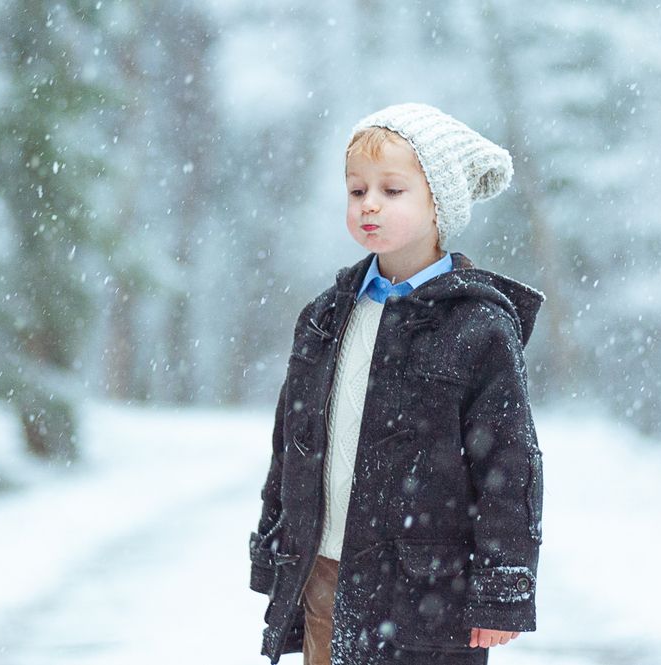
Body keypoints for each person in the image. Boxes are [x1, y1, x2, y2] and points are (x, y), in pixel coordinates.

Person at [248, 102, 546, 665]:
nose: (370, 204)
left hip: (428, 589)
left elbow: (508, 466)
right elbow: (290, 444)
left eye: (393, 190)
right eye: (357, 191)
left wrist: (502, 590)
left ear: (440, 203)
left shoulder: (476, 325)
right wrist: (274, 547)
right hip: (326, 569)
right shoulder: (325, 317)